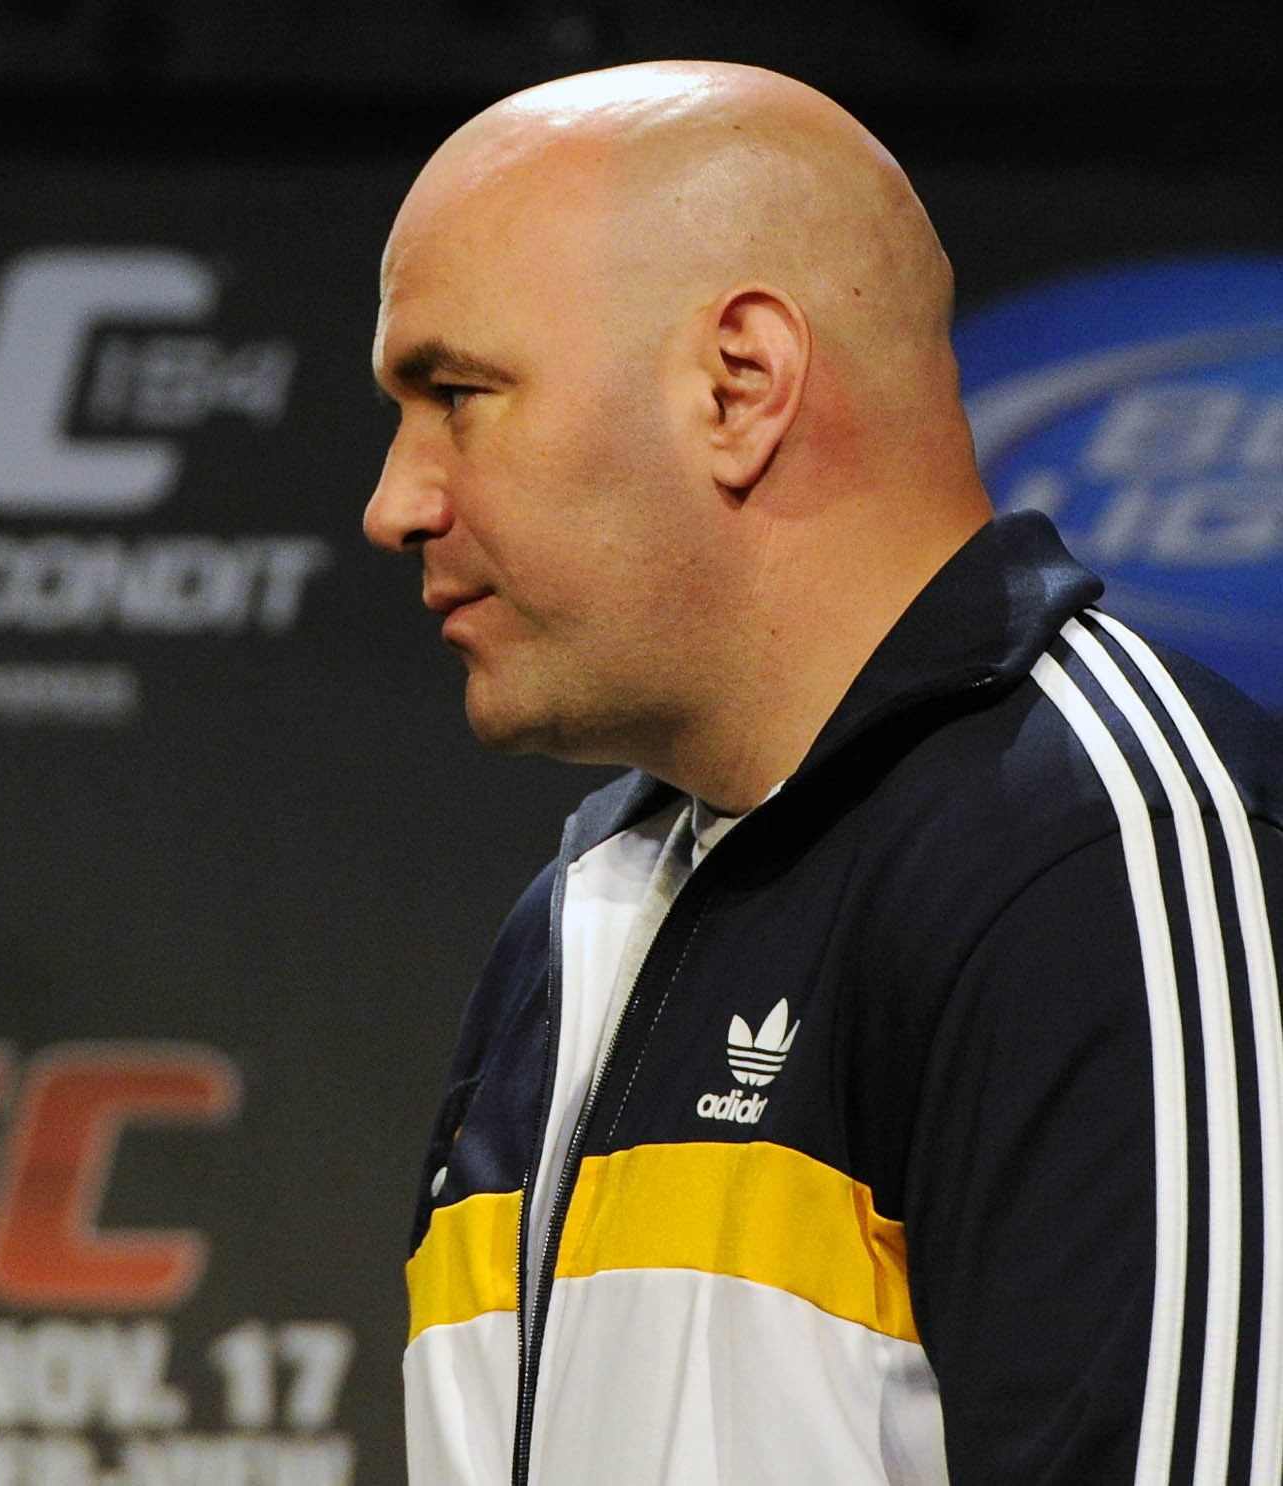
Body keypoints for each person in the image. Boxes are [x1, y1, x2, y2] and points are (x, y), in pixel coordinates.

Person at [368, 60, 1283, 1484]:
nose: (395, 500)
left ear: (739, 384)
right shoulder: (571, 928)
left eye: (458, 392)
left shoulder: (1109, 842)